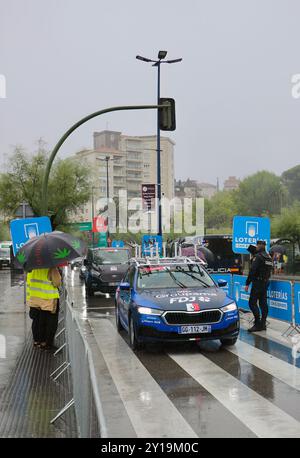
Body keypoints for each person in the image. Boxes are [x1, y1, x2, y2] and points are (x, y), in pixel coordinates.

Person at [26, 267, 61, 350]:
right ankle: (47, 343)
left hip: (35, 298)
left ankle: (37, 341)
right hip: (48, 299)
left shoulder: (31, 267)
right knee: (50, 323)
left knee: (37, 321)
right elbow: (57, 283)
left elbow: (29, 281)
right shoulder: (51, 267)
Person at [245, 241, 273, 332]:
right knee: (263, 303)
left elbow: (252, 270)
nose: (256, 247)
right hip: (265, 282)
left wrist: (247, 283)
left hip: (258, 283)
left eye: (257, 245)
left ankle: (257, 324)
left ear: (260, 246)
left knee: (252, 303)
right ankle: (263, 324)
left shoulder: (258, 257)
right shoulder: (268, 257)